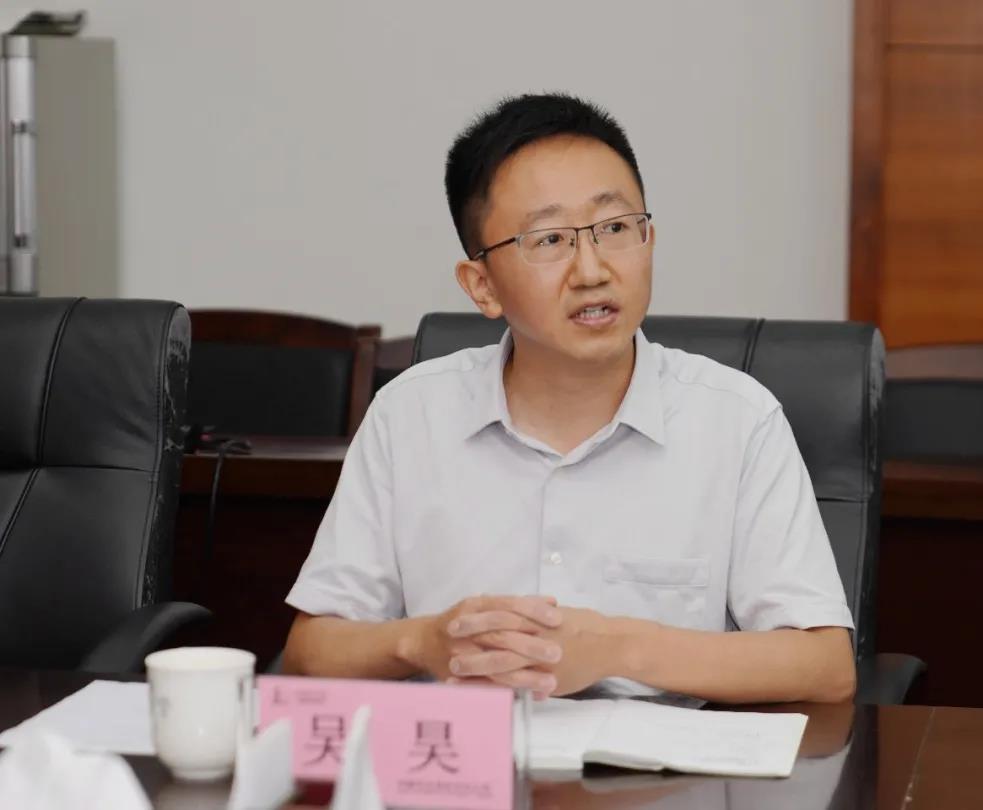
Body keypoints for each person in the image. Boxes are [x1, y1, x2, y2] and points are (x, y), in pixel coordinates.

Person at [283, 93, 855, 703]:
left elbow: (825, 666)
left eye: (615, 229)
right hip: (465, 755)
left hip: (657, 764)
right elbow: (310, 650)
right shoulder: (409, 415)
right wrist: (423, 642)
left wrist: (615, 648)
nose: (592, 271)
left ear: (649, 240)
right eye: (549, 239)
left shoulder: (736, 420)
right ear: (482, 286)